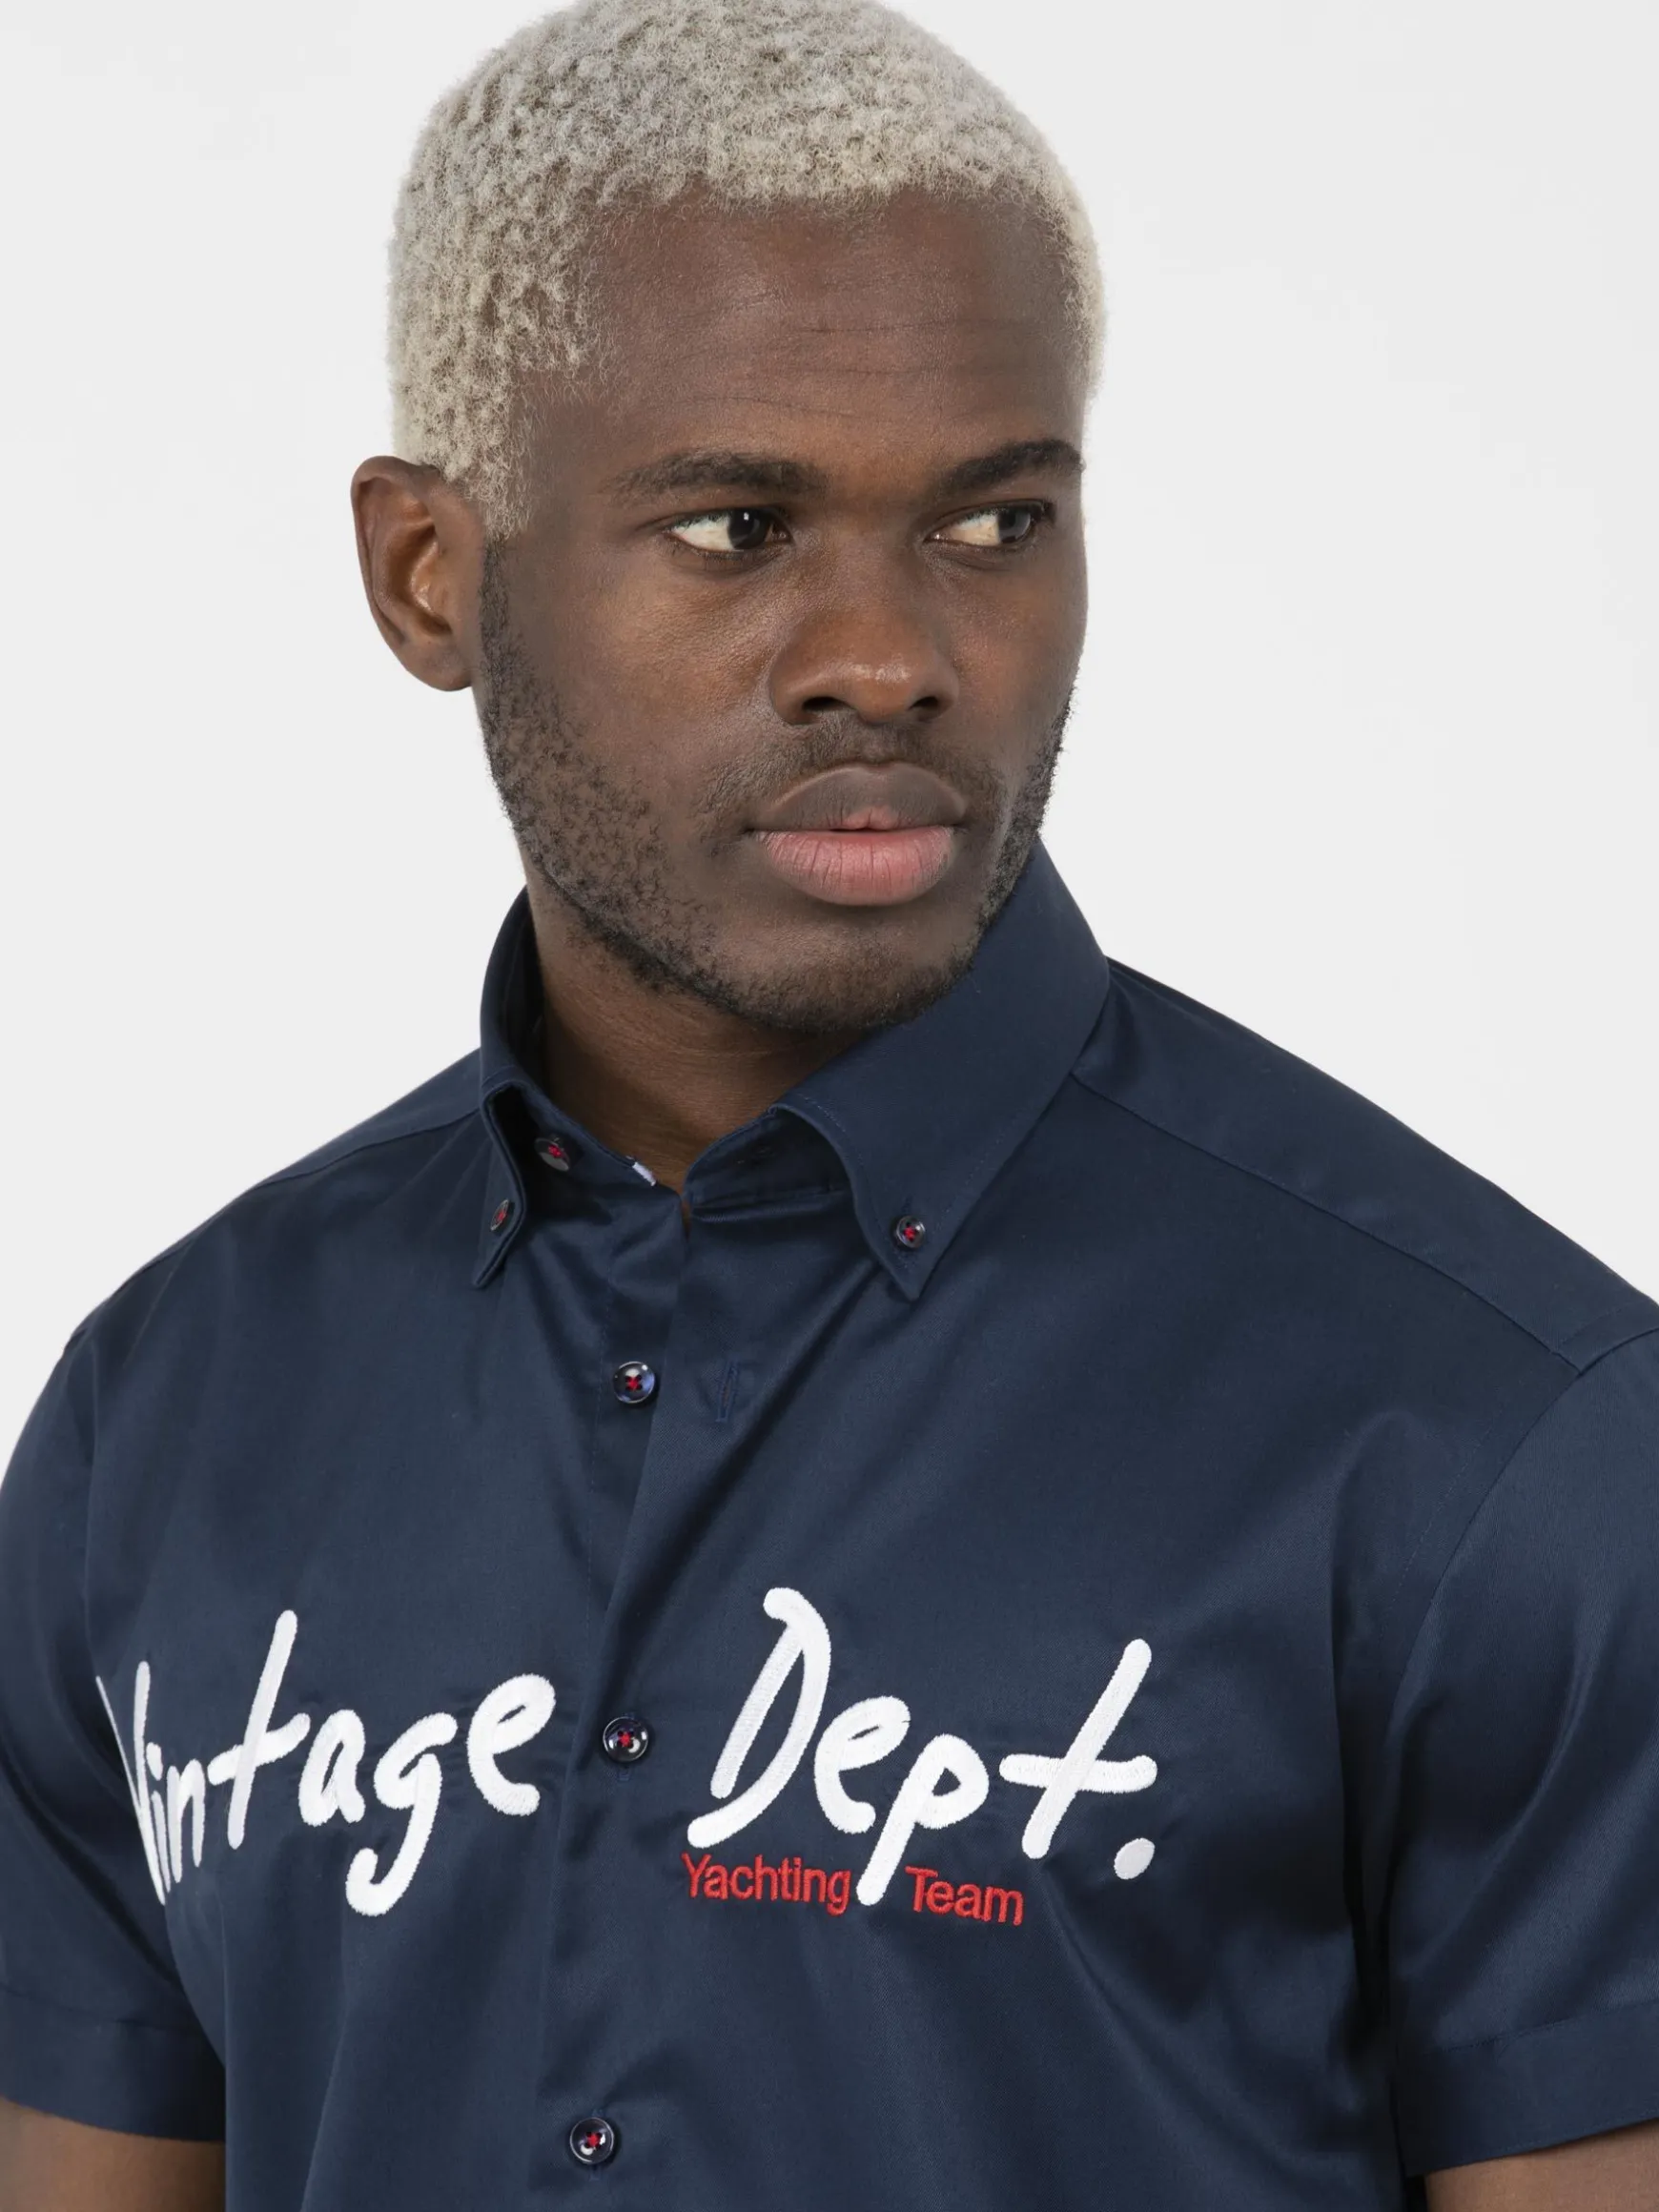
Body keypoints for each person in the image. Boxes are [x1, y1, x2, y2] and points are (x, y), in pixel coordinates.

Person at [2, 0, 1656, 2204]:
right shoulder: (164, 1421)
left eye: (992, 518)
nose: (887, 656)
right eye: (738, 525)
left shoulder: (1503, 1446)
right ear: (428, 573)